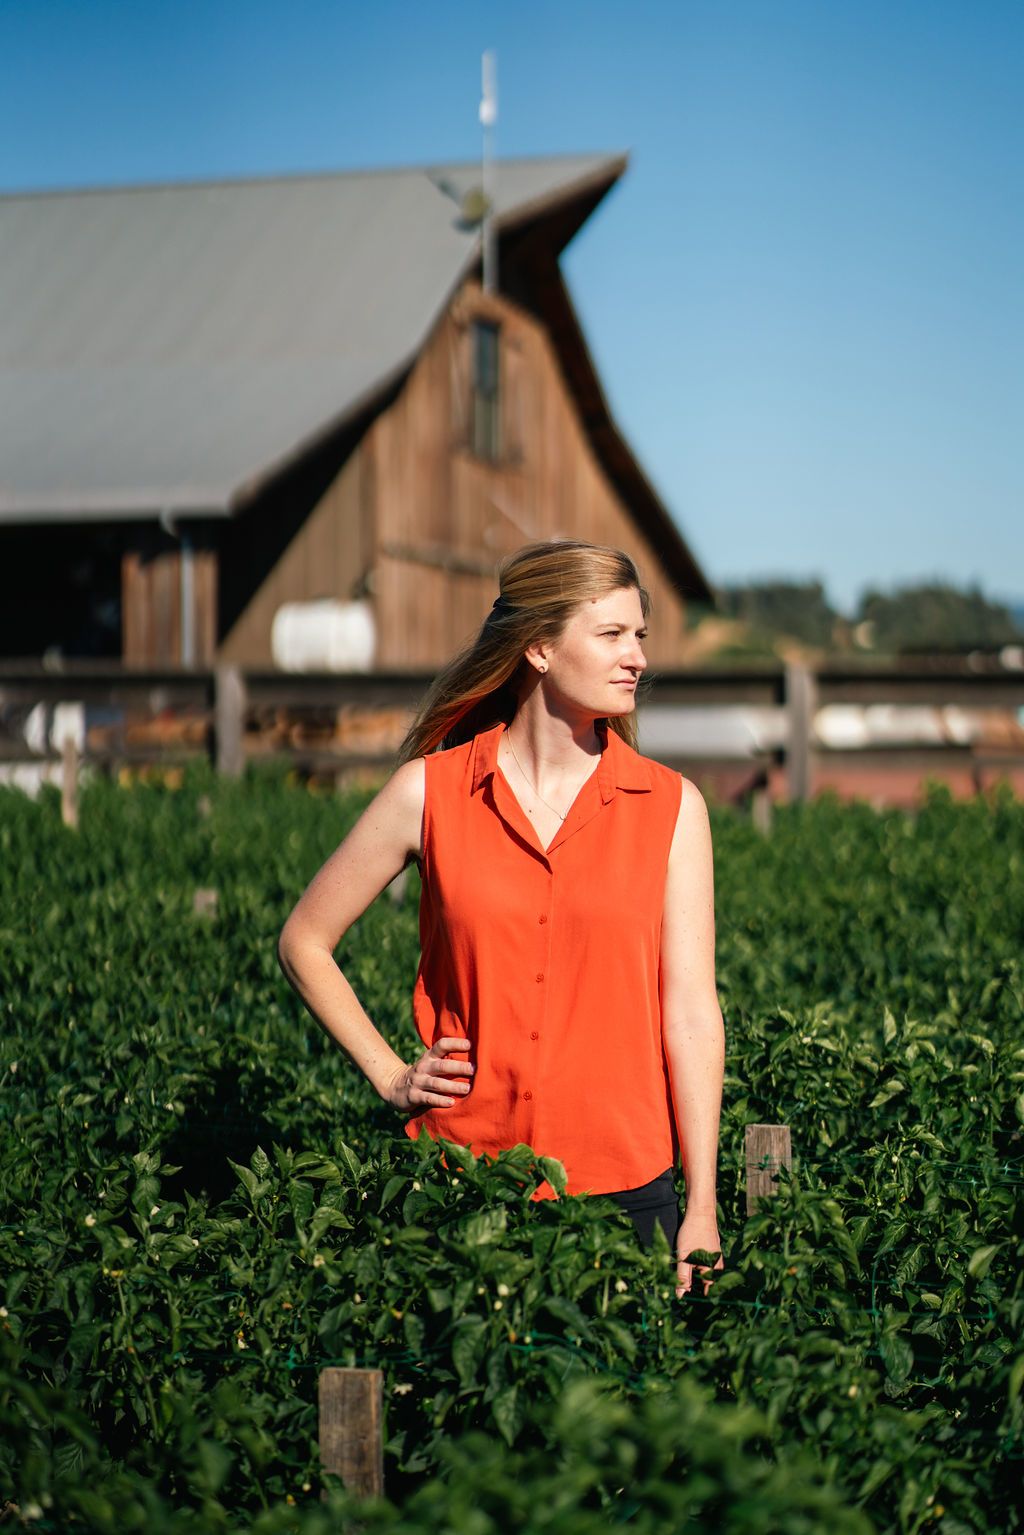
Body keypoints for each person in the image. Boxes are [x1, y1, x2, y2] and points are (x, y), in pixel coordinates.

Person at [278, 539, 725, 1300]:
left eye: (639, 635)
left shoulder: (674, 808)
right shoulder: (430, 793)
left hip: (626, 1195)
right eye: (612, 634)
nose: (637, 657)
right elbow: (304, 941)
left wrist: (704, 1207)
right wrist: (390, 1074)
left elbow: (690, 1015)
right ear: (540, 647)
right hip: (463, 1191)